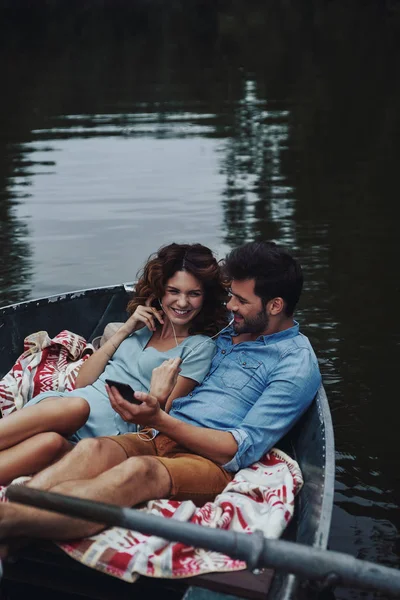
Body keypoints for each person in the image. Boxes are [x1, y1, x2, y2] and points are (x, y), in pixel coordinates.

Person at [0, 241, 321, 543]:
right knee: (91, 451)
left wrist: (160, 418)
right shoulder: (232, 325)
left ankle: (11, 524)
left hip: (208, 461)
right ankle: (12, 515)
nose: (230, 305)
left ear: (276, 305)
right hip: (155, 434)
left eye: (240, 300)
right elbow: (185, 301)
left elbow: (237, 449)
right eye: (230, 295)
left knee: (139, 472)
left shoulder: (295, 366)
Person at [0, 243, 227, 485]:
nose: (182, 302)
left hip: (105, 435)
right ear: (160, 290)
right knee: (77, 406)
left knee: (50, 444)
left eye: (193, 294)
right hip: (67, 409)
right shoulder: (140, 327)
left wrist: (156, 397)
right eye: (174, 291)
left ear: (206, 298)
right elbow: (81, 383)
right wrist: (126, 329)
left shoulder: (199, 346)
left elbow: (161, 419)